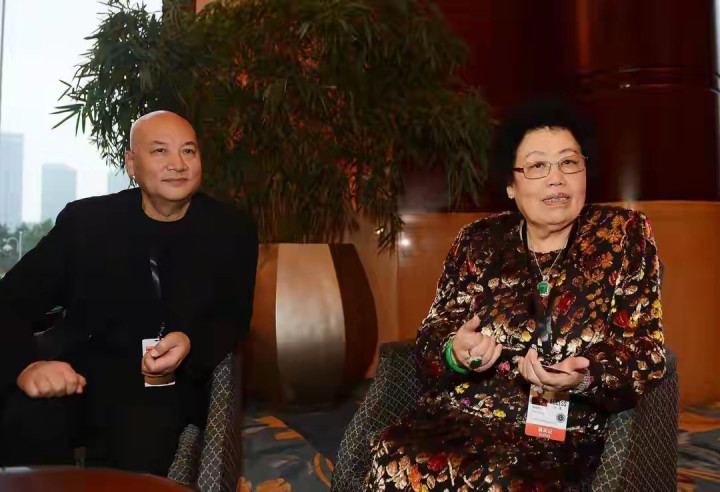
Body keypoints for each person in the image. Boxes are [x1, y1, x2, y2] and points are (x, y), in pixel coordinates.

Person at [365, 100, 666, 490]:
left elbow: (645, 349)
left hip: (568, 430)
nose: (556, 179)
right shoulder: (478, 241)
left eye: (569, 162)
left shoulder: (622, 235)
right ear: (510, 184)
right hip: (463, 416)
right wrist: (455, 351)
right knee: (395, 453)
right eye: (538, 166)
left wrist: (585, 376)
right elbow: (432, 335)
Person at [0, 111, 258, 475]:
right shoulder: (86, 224)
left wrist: (191, 342)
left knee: (143, 439)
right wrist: (29, 366)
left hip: (168, 383)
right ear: (131, 164)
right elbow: (9, 302)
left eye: (188, 150)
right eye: (160, 151)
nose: (178, 164)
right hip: (79, 370)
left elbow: (233, 316)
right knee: (27, 417)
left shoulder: (232, 230)